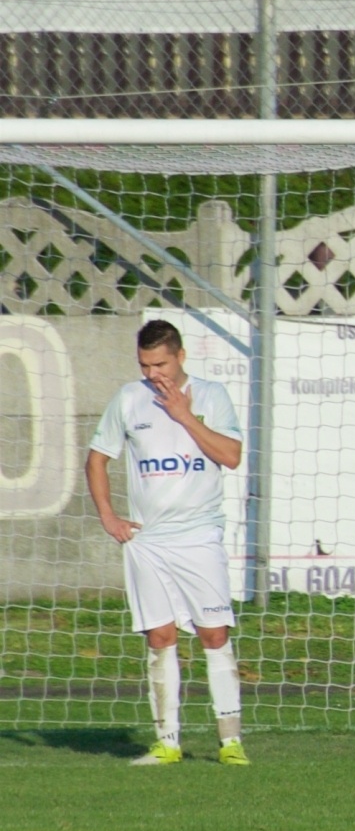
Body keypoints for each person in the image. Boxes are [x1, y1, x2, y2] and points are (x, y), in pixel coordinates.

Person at [85, 319, 248, 766]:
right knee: (160, 636)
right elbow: (97, 459)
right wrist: (109, 517)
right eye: (145, 364)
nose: (153, 373)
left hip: (199, 536)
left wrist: (183, 416)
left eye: (160, 364)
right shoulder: (129, 398)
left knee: (214, 634)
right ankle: (167, 743)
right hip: (148, 540)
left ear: (180, 357)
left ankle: (230, 742)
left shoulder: (210, 396)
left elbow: (230, 456)